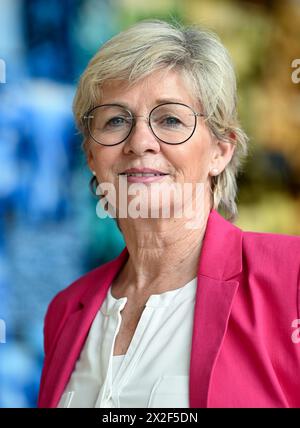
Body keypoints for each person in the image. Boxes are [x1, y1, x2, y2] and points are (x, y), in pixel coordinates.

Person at [37, 19, 300, 408]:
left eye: (171, 120)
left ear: (220, 150)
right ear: (92, 155)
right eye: (116, 121)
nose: (140, 142)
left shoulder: (290, 277)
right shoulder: (66, 310)